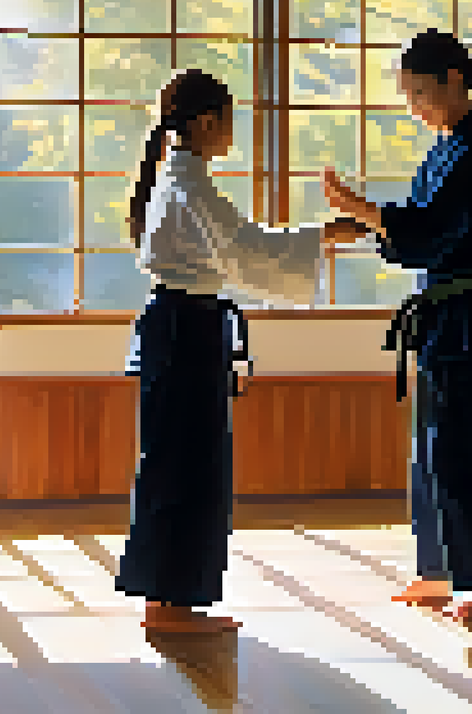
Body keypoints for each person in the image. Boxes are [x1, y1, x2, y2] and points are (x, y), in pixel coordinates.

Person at [116, 68, 368, 633]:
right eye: (229, 121)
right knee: (188, 465)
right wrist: (324, 235)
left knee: (177, 463)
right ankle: (172, 603)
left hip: (182, 326)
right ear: (207, 122)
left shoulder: (178, 181)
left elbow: (240, 249)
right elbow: (247, 252)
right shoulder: (189, 186)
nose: (233, 132)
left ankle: (169, 599)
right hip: (187, 330)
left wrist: (320, 235)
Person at [321, 29, 472, 622]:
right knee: (436, 447)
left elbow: (433, 227)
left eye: (420, 93)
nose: (414, 107)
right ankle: (441, 568)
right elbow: (417, 230)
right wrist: (366, 226)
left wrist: (366, 213)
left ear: (454, 81)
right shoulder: (443, 152)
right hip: (445, 313)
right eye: (407, 96)